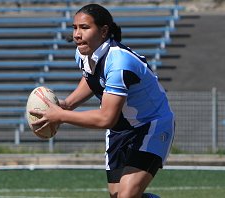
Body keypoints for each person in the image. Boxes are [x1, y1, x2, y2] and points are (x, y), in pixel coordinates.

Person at [30, 3, 175, 198]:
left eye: (85, 27)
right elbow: (92, 79)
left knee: (126, 196)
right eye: (74, 27)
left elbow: (106, 118)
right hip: (120, 130)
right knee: (117, 196)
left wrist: (62, 115)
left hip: (151, 125)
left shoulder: (119, 63)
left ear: (104, 31)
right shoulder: (83, 54)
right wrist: (68, 104)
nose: (77, 34)